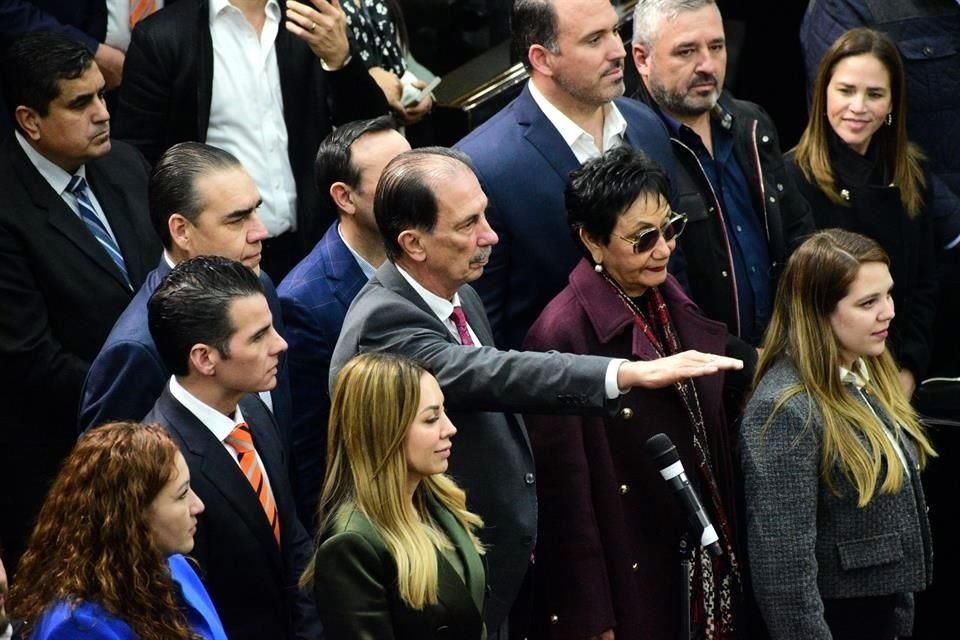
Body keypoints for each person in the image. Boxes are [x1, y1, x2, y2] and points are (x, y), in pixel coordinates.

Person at [330, 146, 743, 637]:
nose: (490, 235)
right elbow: (493, 374)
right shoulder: (383, 322)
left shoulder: (458, 293)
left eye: (485, 213)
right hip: (437, 582)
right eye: (468, 225)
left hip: (495, 565)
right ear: (414, 243)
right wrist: (623, 374)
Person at [523, 146, 742, 640]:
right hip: (634, 566)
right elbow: (565, 501)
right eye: (643, 239)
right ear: (592, 241)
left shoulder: (667, 293)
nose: (664, 249)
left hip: (698, 548)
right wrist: (592, 616)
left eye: (671, 229)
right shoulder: (560, 334)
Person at [0, 32, 159, 572]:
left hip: (150, 439)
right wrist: (139, 394)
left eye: (102, 95)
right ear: (29, 120)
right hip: (61, 458)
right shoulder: (6, 207)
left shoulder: (126, 166)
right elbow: (28, 357)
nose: (102, 113)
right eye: (80, 103)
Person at [740, 229, 934, 640]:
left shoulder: (867, 368)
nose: (889, 312)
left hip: (882, 614)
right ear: (818, 312)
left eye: (888, 294)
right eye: (868, 302)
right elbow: (784, 578)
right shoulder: (784, 411)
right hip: (836, 622)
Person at [455, 0, 675, 349]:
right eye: (594, 40)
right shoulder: (484, 165)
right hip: (560, 393)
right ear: (542, 58)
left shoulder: (647, 125)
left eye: (615, 31)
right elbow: (483, 326)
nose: (618, 50)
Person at [114, 0, 390, 279]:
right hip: (220, 255)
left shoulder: (309, 19)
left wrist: (342, 61)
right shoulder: (165, 35)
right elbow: (137, 160)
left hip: (315, 241)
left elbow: (369, 128)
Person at [145, 256, 321, 640]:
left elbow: (293, 540)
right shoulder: (165, 463)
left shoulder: (254, 408)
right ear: (204, 358)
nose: (281, 345)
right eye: (258, 337)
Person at [631, 0, 814, 347]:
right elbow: (661, 293)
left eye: (716, 46)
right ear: (642, 58)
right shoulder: (633, 150)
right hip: (705, 372)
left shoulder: (751, 123)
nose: (707, 65)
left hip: (786, 352)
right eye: (686, 51)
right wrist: (744, 363)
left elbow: (797, 233)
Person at [80, 142, 293, 438]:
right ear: (181, 230)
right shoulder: (137, 348)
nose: (260, 232)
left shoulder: (258, 285)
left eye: (256, 211)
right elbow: (110, 475)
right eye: (237, 219)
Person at [787, 27, 938, 398]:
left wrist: (909, 370)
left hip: (898, 371)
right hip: (828, 380)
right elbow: (800, 301)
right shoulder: (789, 177)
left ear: (892, 105)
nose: (858, 107)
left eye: (874, 94)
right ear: (822, 93)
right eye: (846, 90)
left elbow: (927, 284)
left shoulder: (912, 175)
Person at [279, 116, 410, 526]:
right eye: (395, 177)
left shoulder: (428, 246)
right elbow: (315, 447)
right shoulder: (303, 301)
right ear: (345, 197)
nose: (416, 185)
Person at [305, 352, 486, 638]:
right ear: (385, 431)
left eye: (444, 412)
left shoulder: (436, 496)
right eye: (431, 419)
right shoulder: (352, 543)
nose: (450, 429)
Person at [8, 421, 227, 640]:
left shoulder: (175, 564)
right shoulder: (79, 627)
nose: (198, 505)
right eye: (181, 495)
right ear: (133, 515)